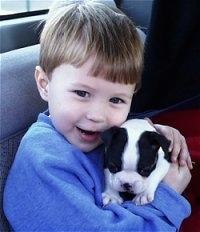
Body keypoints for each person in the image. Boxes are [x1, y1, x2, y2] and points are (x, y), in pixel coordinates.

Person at [3, 1, 192, 231]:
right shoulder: (46, 162)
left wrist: (149, 135)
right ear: (45, 85)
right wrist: (166, 197)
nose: (97, 115)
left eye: (116, 100)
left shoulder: (106, 135)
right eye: (82, 93)